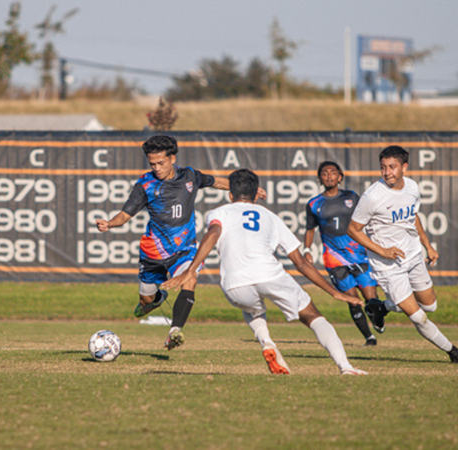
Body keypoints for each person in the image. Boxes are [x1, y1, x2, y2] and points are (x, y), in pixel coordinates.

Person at [163, 169, 367, 375]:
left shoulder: (218, 213)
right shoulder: (271, 217)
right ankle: (345, 366)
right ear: (255, 194)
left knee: (252, 308)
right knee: (312, 316)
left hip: (234, 284)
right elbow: (301, 264)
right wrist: (333, 292)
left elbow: (213, 233)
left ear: (230, 195)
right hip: (270, 275)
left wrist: (191, 270)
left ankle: (267, 341)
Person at [96, 135, 255, 350]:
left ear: (172, 159)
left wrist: (244, 194)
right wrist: (109, 224)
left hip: (184, 250)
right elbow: (125, 215)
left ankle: (175, 331)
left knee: (190, 279)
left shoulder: (189, 176)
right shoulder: (145, 184)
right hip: (152, 253)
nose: (157, 168)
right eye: (152, 164)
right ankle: (157, 299)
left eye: (161, 163)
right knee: (146, 301)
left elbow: (216, 182)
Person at [348, 145, 458, 363]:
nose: (387, 172)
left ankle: (380, 307)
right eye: (383, 167)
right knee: (419, 317)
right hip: (387, 266)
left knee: (430, 306)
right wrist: (383, 251)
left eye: (392, 167)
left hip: (413, 255)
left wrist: (428, 245)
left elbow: (413, 217)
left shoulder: (412, 187)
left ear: (404, 167)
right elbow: (353, 229)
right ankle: (453, 352)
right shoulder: (372, 196)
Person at [304, 161, 379, 346]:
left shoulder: (352, 197)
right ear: (319, 178)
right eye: (324, 173)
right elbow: (310, 229)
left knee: (371, 297)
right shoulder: (314, 203)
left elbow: (365, 219)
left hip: (358, 254)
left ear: (340, 177)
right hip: (334, 258)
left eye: (333, 173)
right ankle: (369, 338)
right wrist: (306, 250)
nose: (329, 176)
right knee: (352, 300)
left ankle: (378, 318)